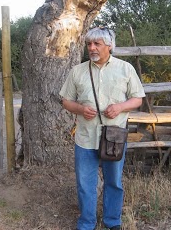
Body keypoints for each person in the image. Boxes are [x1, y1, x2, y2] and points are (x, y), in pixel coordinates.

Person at [59, 26, 145, 230]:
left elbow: (138, 99)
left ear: (109, 46)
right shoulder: (77, 71)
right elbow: (66, 101)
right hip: (85, 138)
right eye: (89, 44)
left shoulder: (125, 69)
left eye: (97, 43)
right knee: (85, 184)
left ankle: (112, 222)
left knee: (113, 182)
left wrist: (120, 107)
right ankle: (87, 223)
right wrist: (80, 109)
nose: (92, 48)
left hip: (114, 137)